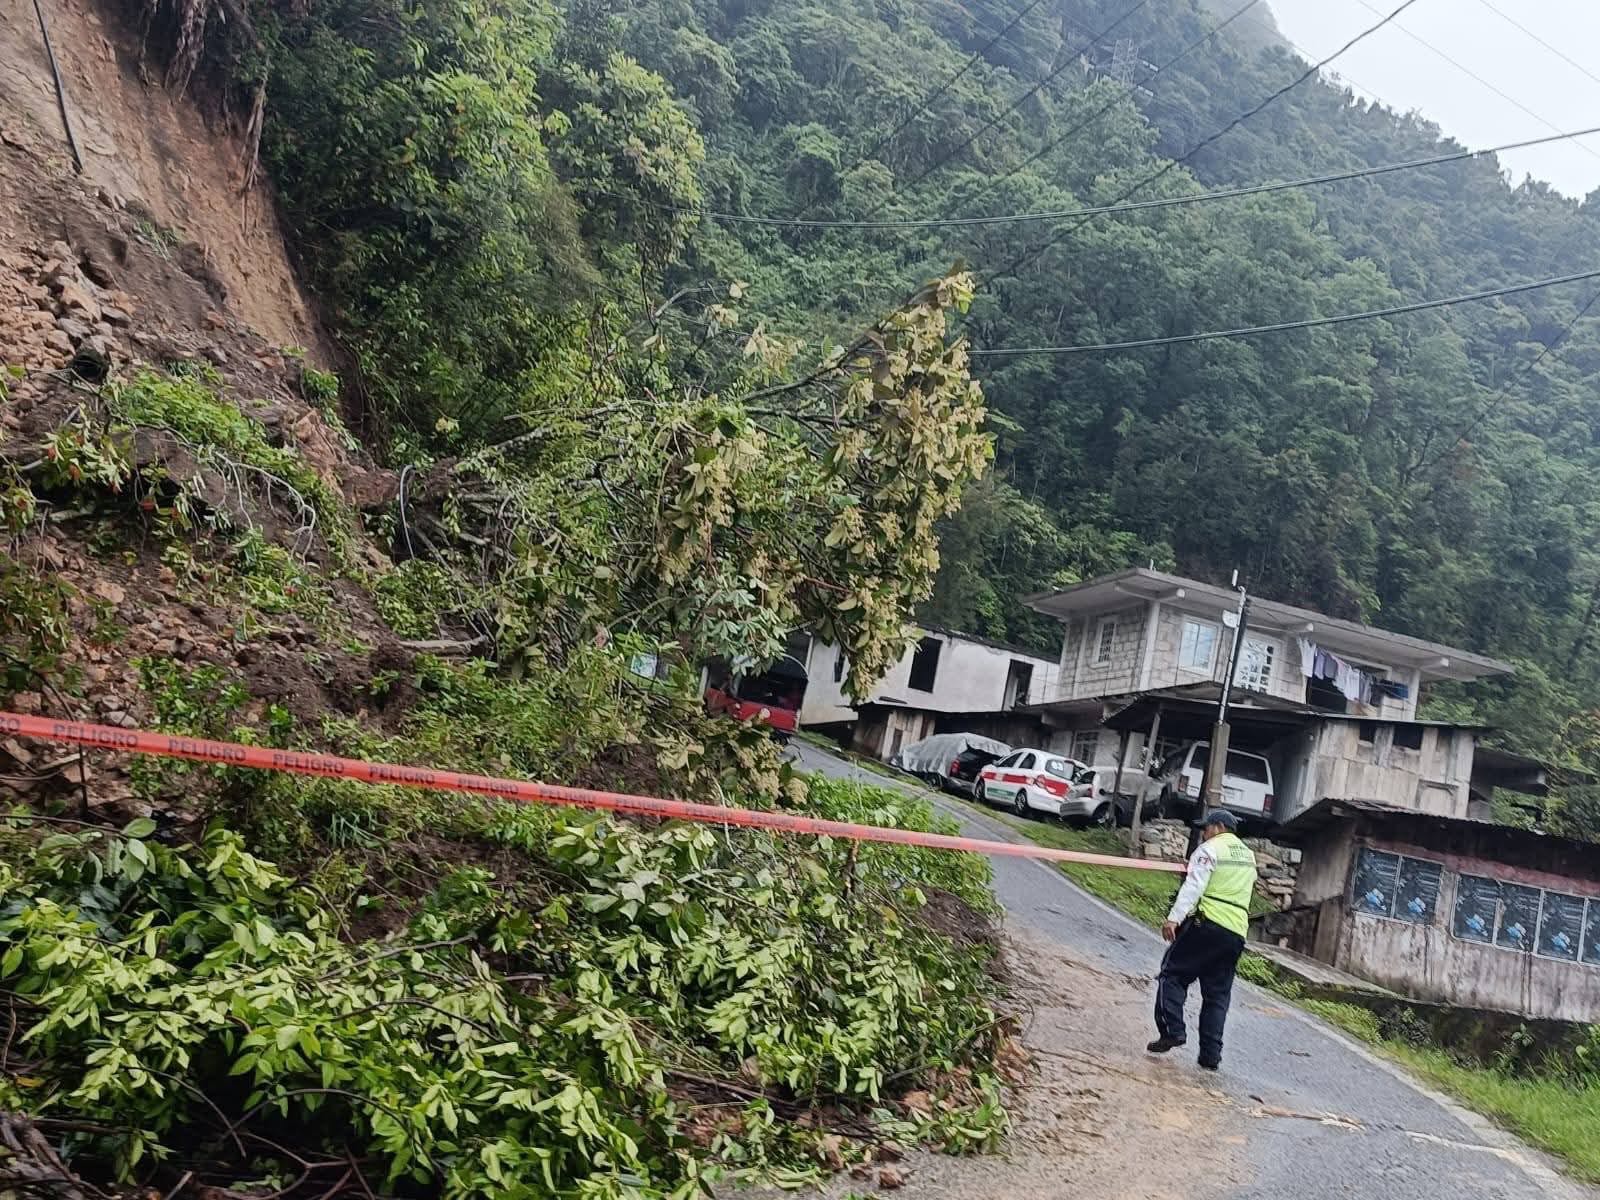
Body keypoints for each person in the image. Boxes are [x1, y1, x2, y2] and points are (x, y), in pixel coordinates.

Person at [1146, 808, 1258, 1070]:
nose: (1203, 834)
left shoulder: (1210, 849)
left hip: (1208, 923)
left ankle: (1173, 1030)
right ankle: (1210, 1057)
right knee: (1217, 996)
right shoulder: (1248, 856)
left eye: (1205, 828)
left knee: (1172, 973)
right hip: (1236, 933)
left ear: (1218, 827)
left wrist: (1173, 918)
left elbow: (1194, 885)